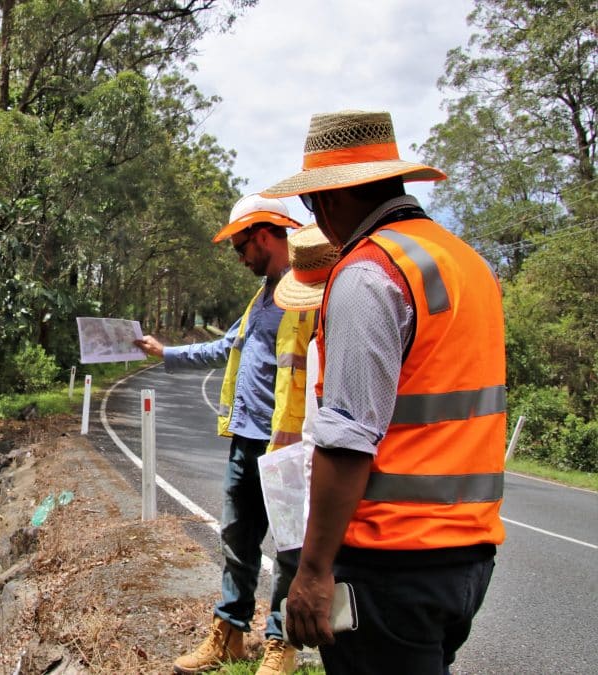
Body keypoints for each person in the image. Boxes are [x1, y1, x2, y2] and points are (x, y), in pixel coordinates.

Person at [262, 109, 507, 674]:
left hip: (389, 559)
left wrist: (314, 569)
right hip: (466, 556)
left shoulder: (369, 273)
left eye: (312, 204)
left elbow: (348, 437)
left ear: (327, 200)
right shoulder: (466, 263)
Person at [133, 193, 312, 675]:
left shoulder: (310, 289)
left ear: (262, 237)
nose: (238, 258)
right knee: (236, 541)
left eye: (239, 247)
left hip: (289, 446)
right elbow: (226, 348)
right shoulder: (261, 298)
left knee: (292, 551)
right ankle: (229, 635)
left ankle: (281, 644)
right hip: (246, 441)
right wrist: (166, 354)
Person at [259, 223, 340, 675]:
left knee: (330, 560)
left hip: (331, 452)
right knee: (289, 553)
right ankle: (281, 644)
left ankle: (321, 648)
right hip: (287, 448)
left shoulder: (351, 313)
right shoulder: (286, 309)